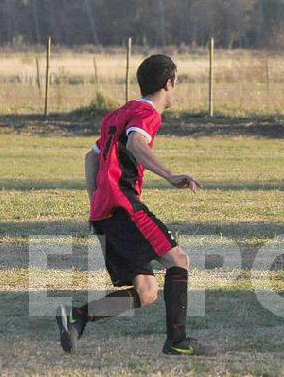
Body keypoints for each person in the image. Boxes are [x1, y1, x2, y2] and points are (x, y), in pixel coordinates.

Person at [54, 54, 218, 356]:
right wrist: (170, 175)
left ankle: (78, 318)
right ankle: (178, 341)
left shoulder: (119, 113)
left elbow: (91, 158)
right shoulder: (147, 114)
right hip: (123, 206)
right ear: (168, 83)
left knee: (146, 292)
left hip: (105, 212)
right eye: (175, 83)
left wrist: (96, 205)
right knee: (179, 260)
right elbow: (135, 144)